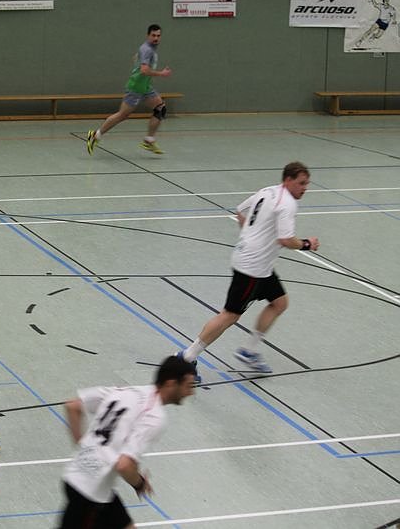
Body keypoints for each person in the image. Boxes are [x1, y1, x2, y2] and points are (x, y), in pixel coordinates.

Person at [177, 161, 320, 381]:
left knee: (280, 302)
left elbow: (240, 210)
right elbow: (285, 239)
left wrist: (251, 236)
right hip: (252, 268)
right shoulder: (288, 204)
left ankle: (249, 350)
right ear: (288, 180)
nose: (305, 188)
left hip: (259, 265)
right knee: (230, 315)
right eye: (301, 183)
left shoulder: (268, 191)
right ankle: (186, 358)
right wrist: (307, 244)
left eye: (307, 184)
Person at [58, 355, 196, 529]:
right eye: (188, 386)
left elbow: (73, 406)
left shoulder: (126, 391)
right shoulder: (155, 416)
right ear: (171, 383)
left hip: (88, 481)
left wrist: (83, 446)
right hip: (89, 492)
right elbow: (124, 465)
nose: (191, 392)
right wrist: (139, 483)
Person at [86, 24, 172, 156]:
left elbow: (138, 59)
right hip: (136, 87)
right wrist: (161, 74)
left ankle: (149, 140)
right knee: (122, 115)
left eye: (158, 36)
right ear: (148, 35)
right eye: (153, 35)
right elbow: (144, 70)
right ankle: (95, 135)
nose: (156, 38)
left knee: (161, 108)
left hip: (145, 87)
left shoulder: (149, 49)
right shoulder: (147, 49)